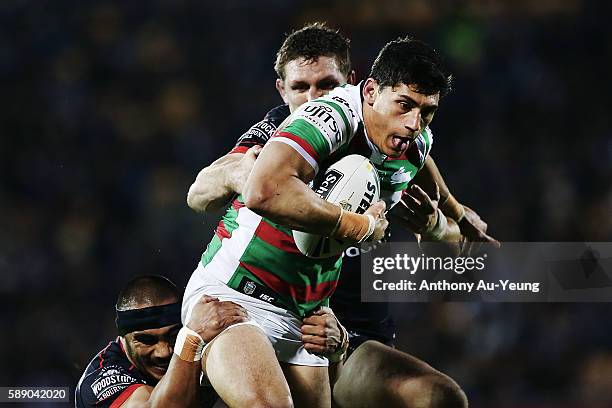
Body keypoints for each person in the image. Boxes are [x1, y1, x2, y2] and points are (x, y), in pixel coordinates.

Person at [183, 26, 480, 408]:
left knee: (443, 398)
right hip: (239, 294)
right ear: (369, 93)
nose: (413, 122)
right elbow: (231, 191)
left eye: (425, 112)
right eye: (300, 87)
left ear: (353, 83)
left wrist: (449, 215)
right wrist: (235, 174)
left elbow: (422, 165)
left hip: (316, 317)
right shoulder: (312, 123)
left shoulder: (408, 138)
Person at [75, 275, 248, 408]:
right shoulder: (99, 382)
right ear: (123, 337)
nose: (163, 352)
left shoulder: (203, 339)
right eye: (146, 340)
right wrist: (190, 340)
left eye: (173, 335)